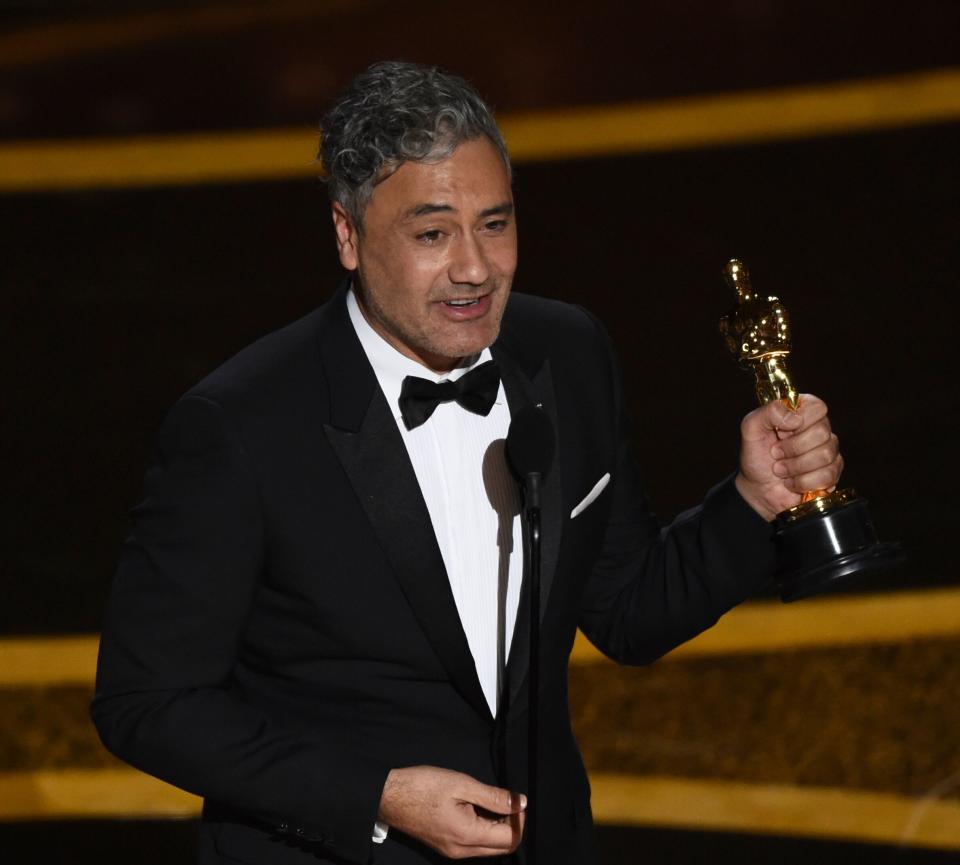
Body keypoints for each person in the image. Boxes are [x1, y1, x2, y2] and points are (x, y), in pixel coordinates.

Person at [91, 61, 842, 865]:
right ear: (347, 234)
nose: (475, 269)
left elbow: (626, 609)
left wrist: (752, 502)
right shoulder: (241, 427)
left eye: (495, 223)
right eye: (431, 233)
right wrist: (376, 792)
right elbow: (147, 700)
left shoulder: (567, 352)